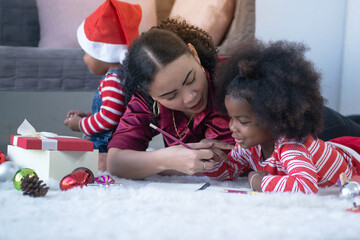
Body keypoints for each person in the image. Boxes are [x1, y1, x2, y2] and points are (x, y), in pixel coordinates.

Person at [107, 18, 360, 180]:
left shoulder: (237, 77)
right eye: (170, 95)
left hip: (316, 131)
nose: (190, 96)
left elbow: (247, 156)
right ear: (147, 92)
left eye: (190, 79)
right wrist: (168, 159)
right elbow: (116, 161)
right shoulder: (146, 102)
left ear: (194, 54)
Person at [210, 39, 360, 193]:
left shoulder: (291, 147)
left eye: (243, 121)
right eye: (231, 118)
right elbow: (229, 170)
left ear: (273, 120)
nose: (231, 127)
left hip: (355, 163)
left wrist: (260, 181)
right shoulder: (250, 147)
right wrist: (212, 161)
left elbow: (305, 186)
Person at [63, 0, 141, 170]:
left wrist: (80, 125)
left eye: (86, 52)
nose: (84, 58)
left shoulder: (114, 80)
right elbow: (113, 111)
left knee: (85, 167)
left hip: (106, 144)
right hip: (114, 140)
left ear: (102, 53)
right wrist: (87, 116)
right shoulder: (120, 77)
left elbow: (109, 118)